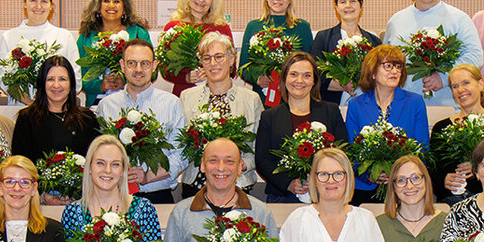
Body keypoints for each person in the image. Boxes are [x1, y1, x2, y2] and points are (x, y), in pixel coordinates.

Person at [95, 38, 188, 204]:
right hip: (114, 196)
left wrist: (148, 176)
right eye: (132, 63)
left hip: (158, 195)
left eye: (145, 63)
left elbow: (181, 154)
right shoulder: (106, 106)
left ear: (154, 66)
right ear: (122, 66)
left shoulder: (171, 103)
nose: (138, 69)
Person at [383, 0, 484, 107]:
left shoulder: (459, 18)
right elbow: (385, 62)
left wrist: (444, 78)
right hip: (404, 105)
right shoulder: (396, 21)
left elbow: (475, 56)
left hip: (448, 104)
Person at [256, 52, 349, 203]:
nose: (299, 80)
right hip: (283, 196)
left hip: (325, 194)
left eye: (307, 75)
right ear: (284, 78)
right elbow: (262, 160)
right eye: (293, 74)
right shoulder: (269, 116)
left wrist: (320, 180)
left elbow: (343, 152)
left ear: (314, 81)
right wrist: (289, 184)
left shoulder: (331, 111)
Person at [178, 32, 263, 194]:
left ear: (231, 59)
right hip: (196, 184)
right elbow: (181, 145)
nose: (213, 63)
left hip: (238, 183)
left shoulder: (251, 99)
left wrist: (243, 164)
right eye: (207, 58)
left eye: (219, 57)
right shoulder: (187, 97)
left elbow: (258, 147)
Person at [9, 55, 102, 203]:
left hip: (81, 200)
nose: (56, 85)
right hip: (39, 202)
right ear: (42, 83)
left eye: (62, 79)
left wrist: (79, 194)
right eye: (50, 79)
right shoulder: (26, 118)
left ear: (71, 83)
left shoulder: (87, 118)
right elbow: (20, 165)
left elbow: (97, 162)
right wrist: (41, 195)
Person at [344, 45, 430, 203]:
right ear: (373, 72)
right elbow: (351, 151)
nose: (395, 71)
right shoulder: (356, 105)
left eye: (398, 66)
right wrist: (368, 174)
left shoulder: (415, 102)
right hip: (365, 186)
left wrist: (399, 173)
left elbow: (422, 150)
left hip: (406, 187)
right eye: (388, 66)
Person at [431, 64, 484, 203]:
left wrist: (480, 166)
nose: (460, 90)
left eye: (466, 83)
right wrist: (443, 180)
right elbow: (432, 169)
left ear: (480, 83)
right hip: (450, 202)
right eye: (455, 86)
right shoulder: (441, 127)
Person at [0, 0, 81, 103]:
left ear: (51, 6)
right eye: (33, 0)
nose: (38, 6)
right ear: (24, 4)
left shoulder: (64, 37)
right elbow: (3, 79)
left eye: (44, 1)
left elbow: (76, 80)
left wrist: (50, 103)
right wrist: (29, 102)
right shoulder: (9, 37)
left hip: (57, 109)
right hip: (21, 108)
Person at [77, 0, 152, 107]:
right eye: (106, 1)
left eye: (116, 1)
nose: (111, 5)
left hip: (135, 101)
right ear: (98, 7)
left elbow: (152, 72)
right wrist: (101, 85)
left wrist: (126, 81)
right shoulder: (86, 37)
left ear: (124, 7)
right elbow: (78, 78)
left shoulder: (139, 33)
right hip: (97, 104)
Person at [240, 0, 313, 100]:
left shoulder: (302, 28)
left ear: (289, 0)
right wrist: (258, 79)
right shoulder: (253, 26)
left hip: (293, 95)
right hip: (262, 96)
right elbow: (243, 67)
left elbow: (310, 66)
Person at [309, 0, 382, 105]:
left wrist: (360, 82)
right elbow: (313, 72)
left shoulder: (374, 42)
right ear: (336, 7)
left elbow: (381, 74)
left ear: (361, 5)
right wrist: (343, 84)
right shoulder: (323, 37)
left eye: (353, 1)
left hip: (367, 104)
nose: (348, 6)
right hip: (331, 105)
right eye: (343, 2)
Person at [163, 0, 234, 95]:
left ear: (213, 1)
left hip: (217, 93)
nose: (201, 0)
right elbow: (165, 69)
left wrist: (213, 72)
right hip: (184, 93)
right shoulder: (173, 28)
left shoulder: (222, 28)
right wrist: (186, 78)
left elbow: (232, 68)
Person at [379, 155, 446, 242]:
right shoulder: (379, 225)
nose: (409, 186)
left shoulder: (447, 223)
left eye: (415, 178)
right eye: (401, 180)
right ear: (393, 186)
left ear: (426, 181)